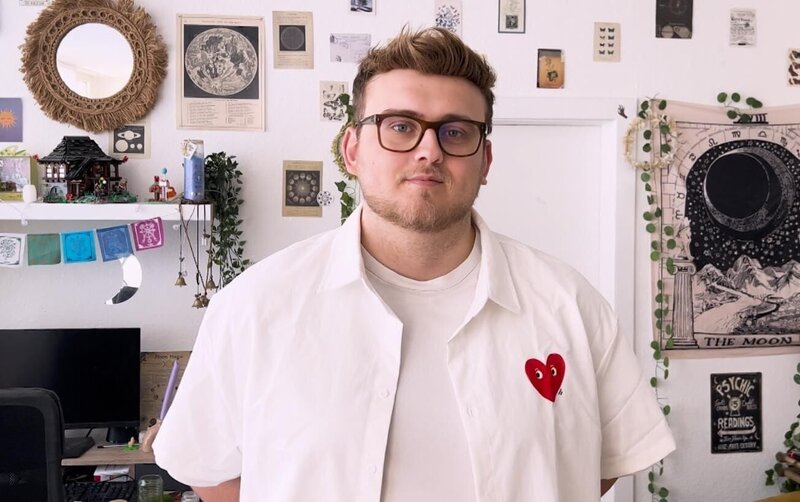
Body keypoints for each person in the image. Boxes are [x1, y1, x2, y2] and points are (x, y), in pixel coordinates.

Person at [153, 27, 676, 501]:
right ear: (352, 150)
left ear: (485, 161)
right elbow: (208, 471)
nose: (429, 151)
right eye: (400, 126)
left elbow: (597, 466)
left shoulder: (571, 306)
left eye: (456, 131)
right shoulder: (254, 307)